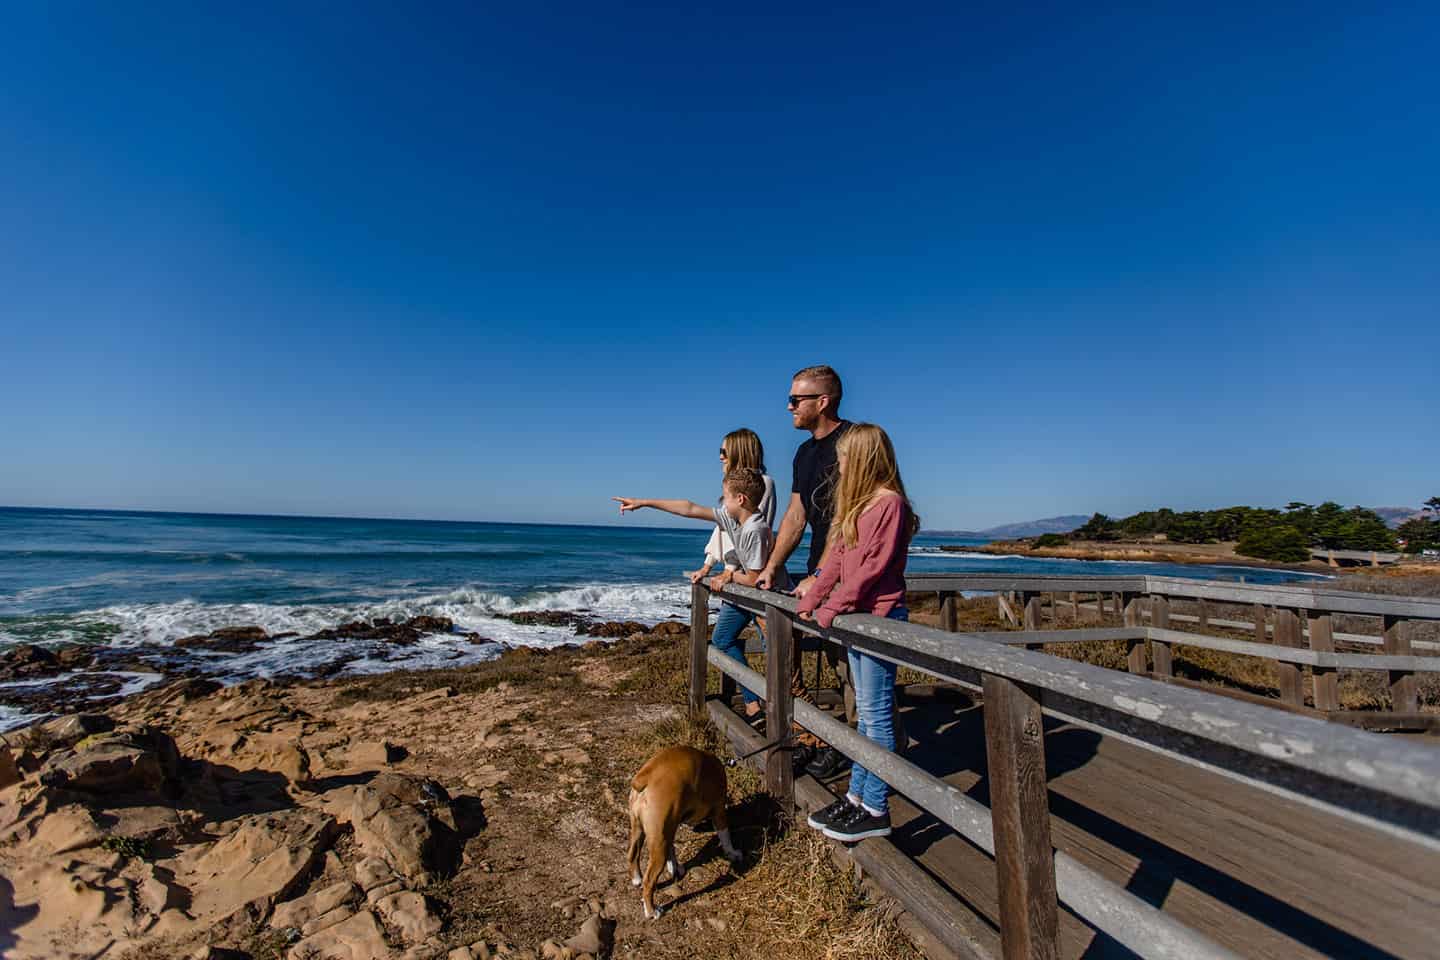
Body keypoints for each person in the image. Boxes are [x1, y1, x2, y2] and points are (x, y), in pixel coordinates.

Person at [796, 423, 919, 842]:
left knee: (878, 718)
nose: (839, 463)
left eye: (845, 456)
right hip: (859, 622)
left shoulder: (889, 505)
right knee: (865, 718)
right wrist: (812, 598)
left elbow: (870, 571)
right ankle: (857, 798)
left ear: (864, 458)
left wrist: (829, 608)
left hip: (880, 621)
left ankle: (876, 807)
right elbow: (837, 560)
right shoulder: (860, 506)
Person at [613, 467, 780, 718]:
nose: (722, 501)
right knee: (722, 640)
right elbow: (689, 508)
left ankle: (778, 717)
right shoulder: (734, 520)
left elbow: (755, 578)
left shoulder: (754, 529)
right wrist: (644, 503)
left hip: (765, 602)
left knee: (779, 662)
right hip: (744, 596)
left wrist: (728, 576)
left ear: (740, 499)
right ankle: (753, 703)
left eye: (725, 496)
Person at [755, 364, 854, 777]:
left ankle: (857, 752)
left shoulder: (854, 442)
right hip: (818, 573)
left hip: (849, 573)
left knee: (852, 668)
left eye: (796, 400)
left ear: (823, 402)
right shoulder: (803, 452)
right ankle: (820, 738)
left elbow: (848, 516)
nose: (789, 406)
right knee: (821, 654)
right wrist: (773, 566)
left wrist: (824, 574)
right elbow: (796, 515)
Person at [687, 429, 777, 586]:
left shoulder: (764, 483)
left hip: (748, 574)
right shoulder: (732, 487)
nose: (721, 457)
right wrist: (706, 567)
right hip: (736, 573)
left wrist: (729, 572)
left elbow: (751, 533)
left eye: (724, 452)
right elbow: (722, 529)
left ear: (739, 453)